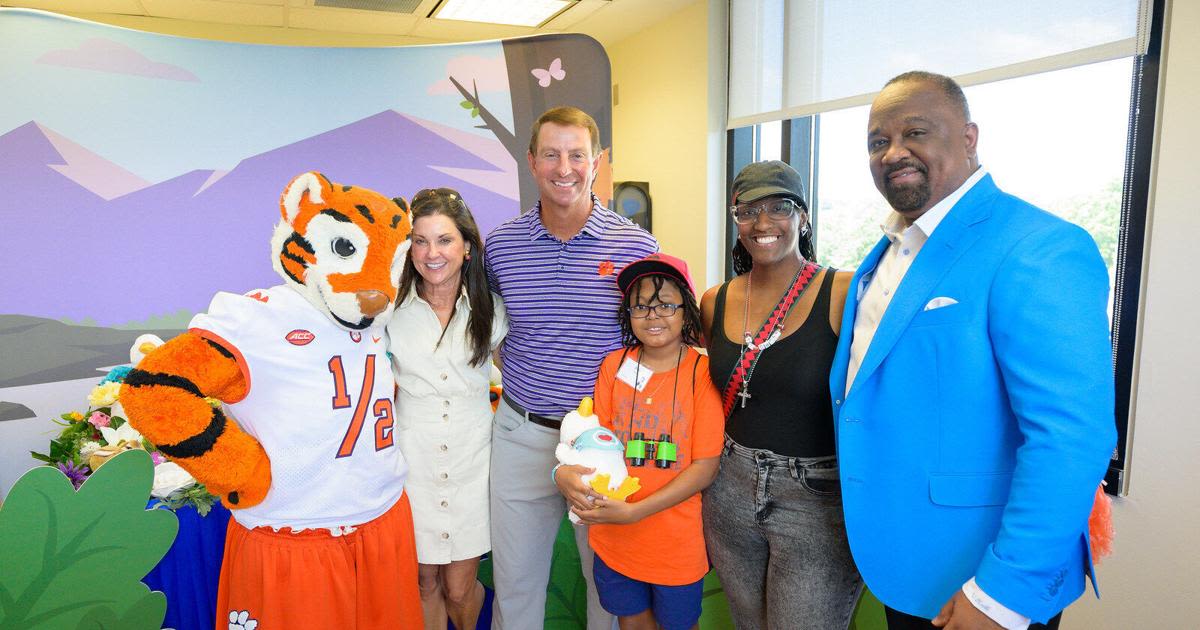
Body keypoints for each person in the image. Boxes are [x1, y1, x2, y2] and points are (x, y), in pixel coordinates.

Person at [830, 71, 1116, 630]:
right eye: (877, 140)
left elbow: (1072, 436)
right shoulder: (887, 251)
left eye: (916, 131)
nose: (895, 151)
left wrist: (1001, 594)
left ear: (968, 137)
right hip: (904, 556)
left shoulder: (1038, 246)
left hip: (982, 579)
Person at [485, 106, 658, 630]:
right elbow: (492, 334)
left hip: (602, 439)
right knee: (515, 586)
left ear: (597, 162)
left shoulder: (636, 247)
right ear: (532, 161)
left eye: (577, 155)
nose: (565, 168)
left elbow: (652, 346)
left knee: (605, 590)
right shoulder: (500, 246)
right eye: (552, 154)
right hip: (520, 433)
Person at [699, 160, 863, 629]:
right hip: (729, 487)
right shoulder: (716, 300)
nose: (763, 223)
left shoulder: (844, 291)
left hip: (814, 498)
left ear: (804, 217)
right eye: (748, 210)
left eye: (780, 207)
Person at [555, 253, 723, 630]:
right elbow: (594, 444)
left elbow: (705, 466)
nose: (653, 315)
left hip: (676, 542)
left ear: (686, 312)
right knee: (631, 623)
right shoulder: (613, 366)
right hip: (615, 539)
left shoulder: (703, 372)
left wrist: (637, 511)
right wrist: (563, 472)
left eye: (665, 304)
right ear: (627, 313)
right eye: (640, 306)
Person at [388, 188, 507, 630]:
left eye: (444, 240)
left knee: (459, 588)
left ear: (467, 247)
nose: (432, 253)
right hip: (411, 461)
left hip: (472, 461)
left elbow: (512, 373)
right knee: (423, 582)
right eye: (421, 241)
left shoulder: (491, 310)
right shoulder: (390, 310)